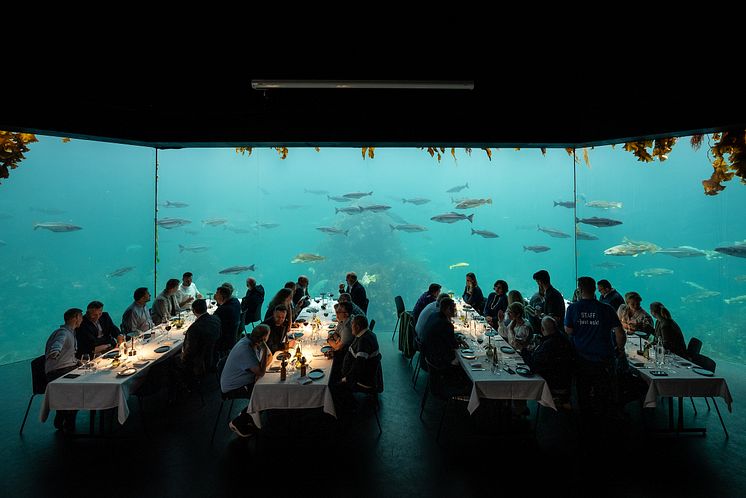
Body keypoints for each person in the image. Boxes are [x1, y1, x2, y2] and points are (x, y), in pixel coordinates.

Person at [564, 276, 625, 420]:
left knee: (583, 391)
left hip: (581, 358)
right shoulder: (607, 308)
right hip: (604, 358)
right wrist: (619, 350)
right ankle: (604, 421)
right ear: (594, 290)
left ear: (579, 290)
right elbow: (620, 334)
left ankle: (585, 421)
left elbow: (568, 330)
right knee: (604, 392)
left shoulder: (573, 308)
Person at [220, 324, 273, 438]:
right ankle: (239, 421)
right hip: (233, 387)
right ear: (264, 338)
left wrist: (258, 370)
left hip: (246, 380)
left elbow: (270, 356)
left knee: (267, 389)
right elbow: (261, 372)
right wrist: (258, 371)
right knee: (264, 394)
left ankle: (250, 414)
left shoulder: (254, 340)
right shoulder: (245, 349)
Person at [331, 315, 383, 413]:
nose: (351, 327)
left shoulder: (364, 341)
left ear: (358, 327)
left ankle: (347, 410)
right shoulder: (364, 334)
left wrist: (346, 378)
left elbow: (359, 366)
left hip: (362, 379)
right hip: (356, 373)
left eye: (352, 324)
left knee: (333, 387)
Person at [521, 317, 574, 409]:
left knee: (520, 377)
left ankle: (520, 409)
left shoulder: (549, 344)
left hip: (551, 382)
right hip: (566, 381)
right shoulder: (563, 338)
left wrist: (523, 350)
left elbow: (533, 366)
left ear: (542, 329)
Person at [45, 308, 83, 431]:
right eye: (80, 317)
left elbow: (68, 355)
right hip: (59, 372)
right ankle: (67, 418)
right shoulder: (63, 333)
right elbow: (58, 344)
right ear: (75, 318)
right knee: (81, 387)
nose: (82, 319)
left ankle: (63, 412)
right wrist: (55, 351)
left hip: (67, 368)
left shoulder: (70, 332)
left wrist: (78, 362)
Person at [180, 299, 221, 377]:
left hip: (199, 361)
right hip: (213, 355)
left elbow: (190, 351)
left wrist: (183, 357)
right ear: (205, 308)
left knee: (173, 360)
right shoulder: (216, 319)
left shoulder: (194, 328)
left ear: (193, 311)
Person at [328, 301, 354, 381]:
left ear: (346, 314)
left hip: (343, 361)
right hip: (341, 353)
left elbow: (338, 347)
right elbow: (336, 333)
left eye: (338, 312)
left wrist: (329, 340)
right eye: (336, 311)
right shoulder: (342, 320)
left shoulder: (347, 329)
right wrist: (336, 338)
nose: (336, 314)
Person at [214, 285, 242, 353]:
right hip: (232, 337)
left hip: (223, 340)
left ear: (222, 296)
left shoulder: (222, 310)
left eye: (217, 293)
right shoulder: (236, 301)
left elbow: (213, 325)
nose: (215, 295)